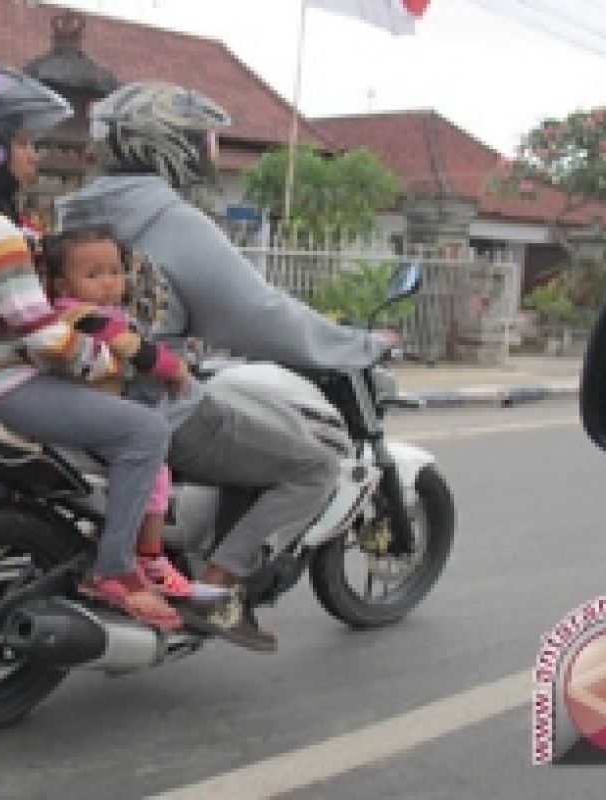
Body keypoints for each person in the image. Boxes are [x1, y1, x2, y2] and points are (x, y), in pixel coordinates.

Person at [57, 82, 388, 650]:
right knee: (312, 466)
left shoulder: (70, 212)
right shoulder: (168, 219)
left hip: (68, 394)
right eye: (200, 140)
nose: (206, 152)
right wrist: (353, 344)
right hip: (148, 399)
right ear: (167, 145)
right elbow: (257, 315)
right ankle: (217, 588)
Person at [0, 65, 180, 631]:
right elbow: (43, 336)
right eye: (22, 142)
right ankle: (117, 569)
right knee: (143, 432)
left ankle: (24, 529)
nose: (33, 156)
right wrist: (115, 360)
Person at [42, 225, 195, 599]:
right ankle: (149, 556)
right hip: (87, 414)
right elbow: (132, 347)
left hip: (81, 408)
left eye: (114, 271)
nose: (108, 283)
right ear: (62, 285)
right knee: (155, 465)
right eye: (93, 275)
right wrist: (172, 367)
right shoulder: (80, 315)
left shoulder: (89, 312)